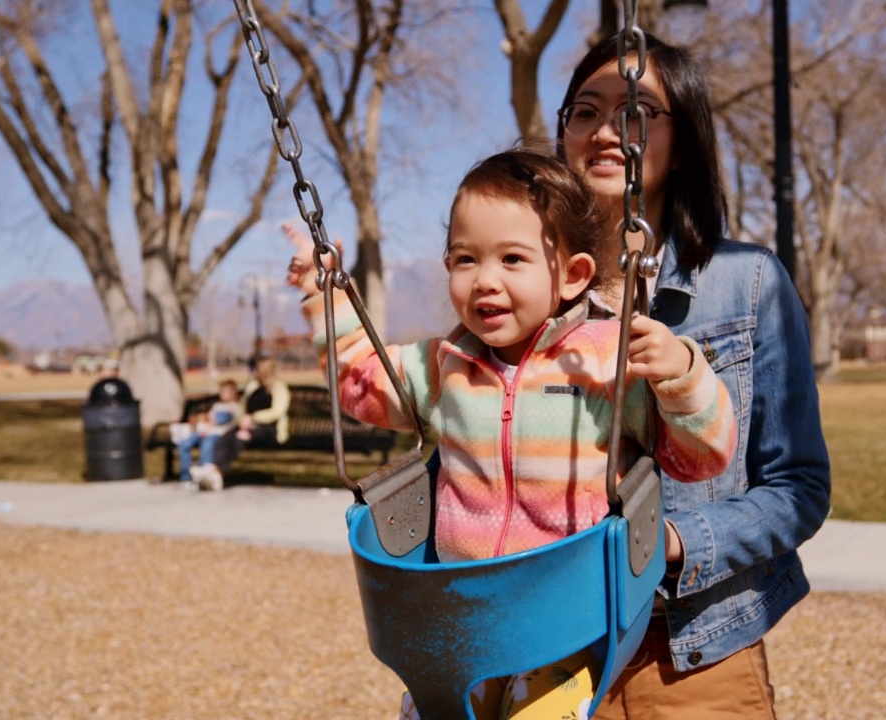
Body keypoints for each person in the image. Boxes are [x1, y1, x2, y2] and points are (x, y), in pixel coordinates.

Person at [288, 147, 739, 720]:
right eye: (465, 259)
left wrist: (681, 373)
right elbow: (362, 384)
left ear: (573, 275)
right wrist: (324, 298)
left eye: (512, 259)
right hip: (463, 612)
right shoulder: (441, 364)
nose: (485, 281)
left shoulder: (605, 363)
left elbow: (705, 455)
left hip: (565, 616)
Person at [551, 33, 831, 718]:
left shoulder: (747, 283)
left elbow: (799, 488)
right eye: (584, 111)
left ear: (685, 142)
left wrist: (673, 544)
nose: (606, 130)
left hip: (692, 654)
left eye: (636, 111)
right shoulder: (525, 297)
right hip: (548, 652)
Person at [171, 378, 241, 491]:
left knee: (208, 443)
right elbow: (206, 419)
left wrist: (210, 419)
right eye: (221, 391)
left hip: (218, 434)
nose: (222, 393)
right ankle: (186, 478)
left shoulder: (235, 407)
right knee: (184, 444)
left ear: (233, 392)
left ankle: (203, 476)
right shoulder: (217, 405)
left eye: (225, 391)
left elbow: (222, 421)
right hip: (203, 431)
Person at [236, 357, 291, 450]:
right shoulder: (253, 387)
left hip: (270, 429)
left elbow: (277, 412)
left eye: (256, 369)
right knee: (228, 434)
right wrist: (242, 421)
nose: (254, 371)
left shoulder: (279, 388)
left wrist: (253, 418)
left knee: (244, 436)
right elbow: (242, 407)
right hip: (248, 426)